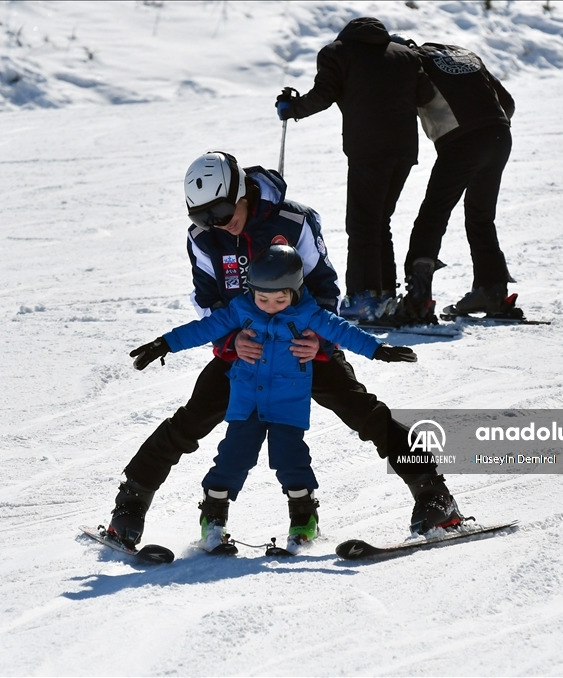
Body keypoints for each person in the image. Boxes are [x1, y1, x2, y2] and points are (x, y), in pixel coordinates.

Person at [107, 151, 463, 548]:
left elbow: (325, 287)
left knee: (366, 414)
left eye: (223, 210)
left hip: (302, 348)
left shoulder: (295, 221)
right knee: (189, 422)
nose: (218, 223)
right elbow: (207, 301)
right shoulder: (203, 238)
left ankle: (435, 497)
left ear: (241, 191)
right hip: (246, 354)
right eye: (203, 216)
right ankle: (129, 505)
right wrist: (230, 341)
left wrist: (319, 341)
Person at [128, 245, 417, 551]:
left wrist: (378, 350)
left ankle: (304, 521)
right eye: (263, 298)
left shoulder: (308, 314)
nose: (270, 306)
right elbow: (203, 329)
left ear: (296, 291)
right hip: (247, 402)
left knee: (291, 459)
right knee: (233, 458)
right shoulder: (241, 310)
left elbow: (342, 331)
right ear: (251, 290)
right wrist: (165, 344)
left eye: (281, 299)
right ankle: (213, 522)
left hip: (287, 403)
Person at [275, 17, 434, 322]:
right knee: (378, 221)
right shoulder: (406, 55)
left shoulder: (337, 52)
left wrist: (291, 108)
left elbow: (324, 94)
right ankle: (384, 294)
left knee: (362, 223)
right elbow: (424, 95)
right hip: (403, 151)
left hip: (368, 150)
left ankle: (363, 298)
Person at [390, 38, 519, 323]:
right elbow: (506, 102)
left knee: (433, 214)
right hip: (499, 134)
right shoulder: (463, 54)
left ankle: (417, 299)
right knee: (480, 216)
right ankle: (492, 291)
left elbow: (414, 98)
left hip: (462, 141)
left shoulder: (411, 63)